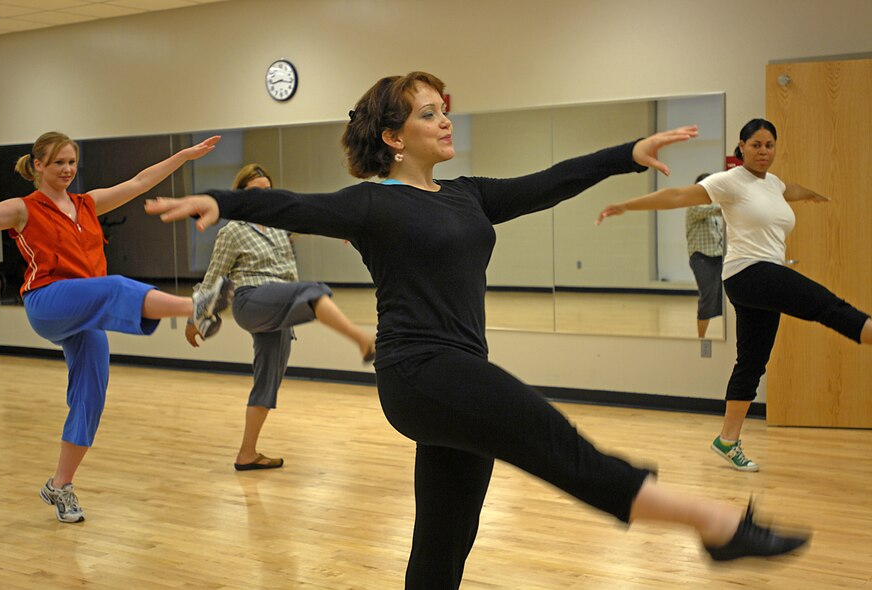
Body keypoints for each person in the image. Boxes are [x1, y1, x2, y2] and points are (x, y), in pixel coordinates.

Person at [146, 75, 809, 587]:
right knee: (562, 445)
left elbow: (547, 183)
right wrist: (222, 201)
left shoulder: (467, 195)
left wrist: (625, 154)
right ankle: (716, 525)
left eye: (444, 107)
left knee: (442, 546)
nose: (444, 119)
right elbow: (296, 205)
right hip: (419, 373)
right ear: (396, 138)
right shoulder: (374, 203)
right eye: (428, 112)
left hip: (453, 378)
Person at [0, 131, 233, 523]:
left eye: (71, 162)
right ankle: (196, 305)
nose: (67, 169)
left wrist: (183, 156)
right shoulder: (22, 208)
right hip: (47, 302)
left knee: (91, 395)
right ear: (38, 166)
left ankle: (60, 485)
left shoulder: (88, 204)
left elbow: (139, 182)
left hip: (87, 310)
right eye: (58, 163)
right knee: (115, 286)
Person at [598, 118, 871, 472]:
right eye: (755, 144)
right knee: (828, 306)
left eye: (769, 145)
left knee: (751, 364)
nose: (763, 151)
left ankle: (727, 440)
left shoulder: (773, 183)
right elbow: (679, 195)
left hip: (756, 279)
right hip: (750, 272)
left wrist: (811, 194)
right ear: (740, 147)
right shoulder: (730, 181)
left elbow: (791, 189)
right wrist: (627, 205)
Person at [187, 163, 376, 471]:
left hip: (279, 309)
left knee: (267, 382)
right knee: (314, 292)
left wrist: (349, 232)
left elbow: (319, 221)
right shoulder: (232, 231)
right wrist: (193, 319)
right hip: (251, 301)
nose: (263, 197)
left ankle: (246, 453)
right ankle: (363, 340)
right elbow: (213, 279)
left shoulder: (279, 227)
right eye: (254, 192)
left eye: (267, 191)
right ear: (240, 196)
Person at [685, 172, 724, 338]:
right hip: (701, 258)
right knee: (707, 298)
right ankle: (701, 339)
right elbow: (717, 210)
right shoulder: (694, 206)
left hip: (717, 257)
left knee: (721, 299)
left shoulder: (710, 210)